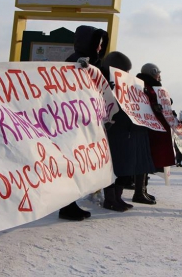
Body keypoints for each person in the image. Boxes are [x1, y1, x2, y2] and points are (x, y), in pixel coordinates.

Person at [58, 25, 109, 220]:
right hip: (72, 124)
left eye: (101, 44)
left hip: (81, 123)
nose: (99, 47)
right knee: (71, 165)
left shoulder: (92, 63)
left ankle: (71, 204)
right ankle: (67, 206)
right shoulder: (75, 62)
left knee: (77, 165)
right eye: (97, 43)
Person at [100, 51, 156, 211]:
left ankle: (117, 197)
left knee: (122, 166)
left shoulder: (123, 84)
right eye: (125, 71)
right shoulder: (105, 83)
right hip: (113, 130)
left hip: (124, 130)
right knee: (114, 166)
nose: (127, 75)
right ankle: (110, 199)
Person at [136, 63, 175, 204]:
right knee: (144, 158)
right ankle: (139, 191)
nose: (160, 76)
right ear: (153, 72)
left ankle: (143, 189)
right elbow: (145, 102)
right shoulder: (146, 86)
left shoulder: (151, 86)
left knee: (148, 159)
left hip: (151, 127)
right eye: (158, 73)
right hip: (148, 128)